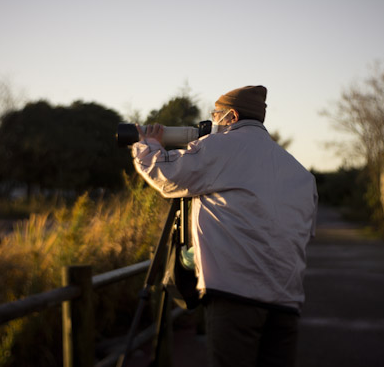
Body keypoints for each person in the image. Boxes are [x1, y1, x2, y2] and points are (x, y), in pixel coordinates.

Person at [132, 85, 317, 367]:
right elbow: (305, 234)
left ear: (231, 116)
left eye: (215, 115)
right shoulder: (299, 172)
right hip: (287, 301)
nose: (212, 121)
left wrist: (150, 142)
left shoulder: (221, 147)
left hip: (235, 296)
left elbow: (165, 173)